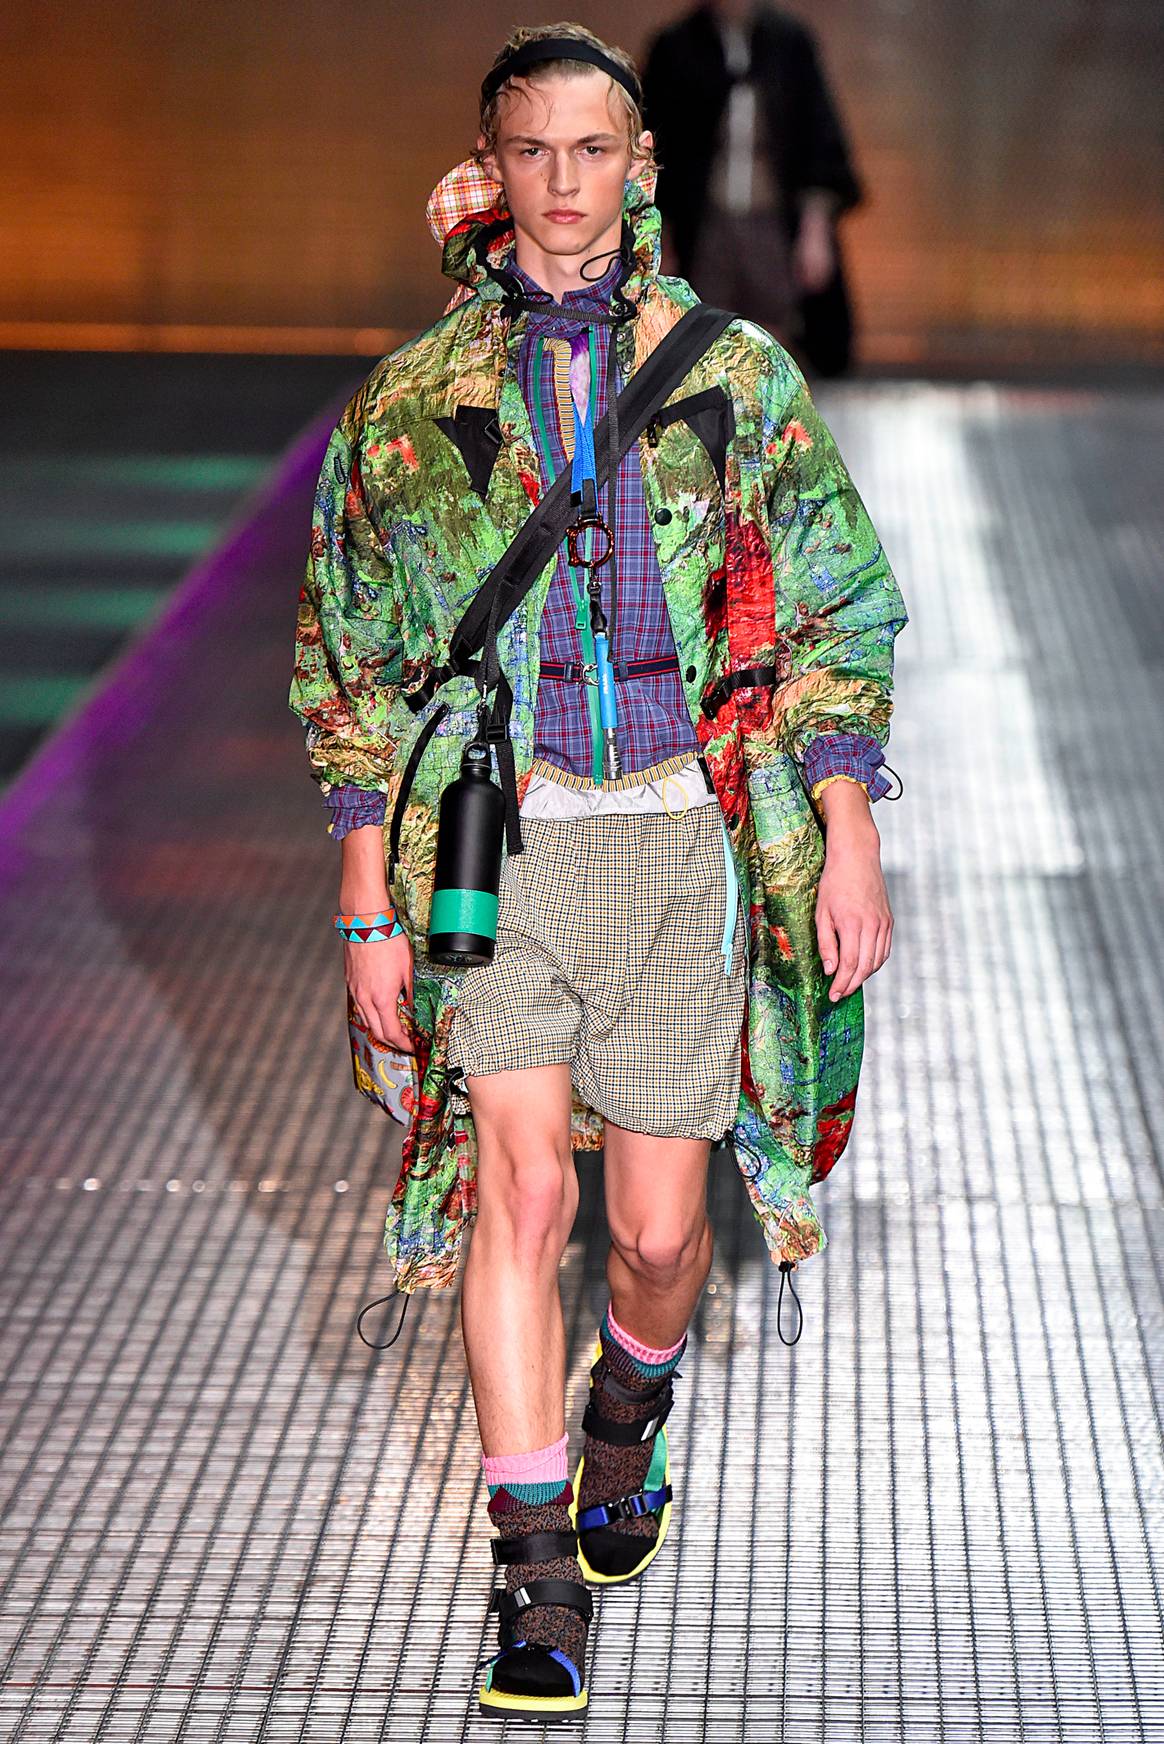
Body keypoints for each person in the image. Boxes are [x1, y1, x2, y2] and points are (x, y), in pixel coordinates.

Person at [288, 20, 907, 1720]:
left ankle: (628, 1402)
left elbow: (833, 608)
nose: (561, 182)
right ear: (489, 173)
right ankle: (533, 1566)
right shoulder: (409, 406)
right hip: (490, 852)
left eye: (591, 149)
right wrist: (365, 899)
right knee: (522, 1195)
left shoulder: (735, 376)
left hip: (683, 843)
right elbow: (353, 667)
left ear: (637, 168)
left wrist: (847, 828)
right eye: (531, 151)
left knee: (652, 1233)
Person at [642, 0, 863, 373]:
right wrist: (662, 237)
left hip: (772, 223)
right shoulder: (677, 45)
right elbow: (659, 149)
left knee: (775, 336)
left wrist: (815, 230)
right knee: (701, 337)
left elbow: (818, 143)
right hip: (705, 226)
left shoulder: (789, 42)